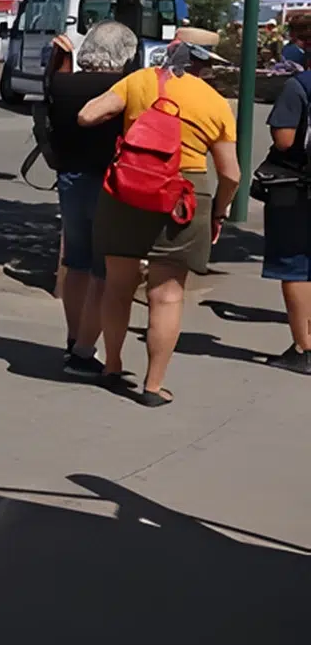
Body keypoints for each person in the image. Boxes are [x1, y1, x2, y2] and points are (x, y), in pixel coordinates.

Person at [77, 29, 240, 405]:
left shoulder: (139, 81)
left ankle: (112, 366)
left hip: (128, 188)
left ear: (170, 53)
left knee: (118, 285)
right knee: (167, 296)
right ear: (206, 65)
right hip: (184, 195)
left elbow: (87, 115)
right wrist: (219, 209)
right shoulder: (215, 102)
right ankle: (152, 386)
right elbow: (231, 174)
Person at [43, 20, 137, 376]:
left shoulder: (61, 84)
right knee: (104, 270)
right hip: (111, 183)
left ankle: (73, 337)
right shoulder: (123, 87)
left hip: (70, 178)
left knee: (77, 263)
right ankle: (84, 351)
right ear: (125, 54)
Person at [258, 65, 311, 372]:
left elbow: (285, 140)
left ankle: (303, 346)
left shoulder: (298, 86)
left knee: (295, 265)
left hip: (297, 187)